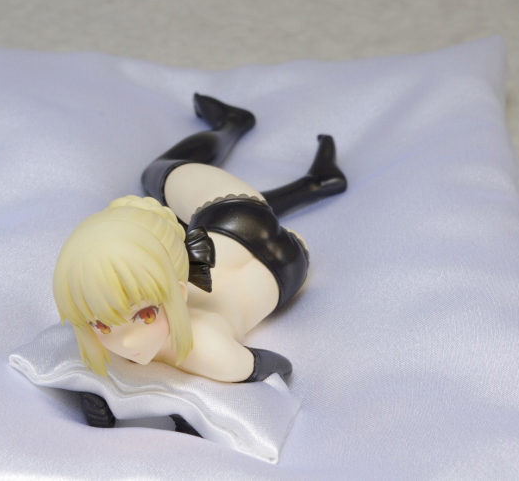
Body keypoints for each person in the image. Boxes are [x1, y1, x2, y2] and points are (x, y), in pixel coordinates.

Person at [52, 94, 347, 431]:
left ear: (180, 292)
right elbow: (269, 366)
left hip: (238, 225)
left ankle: (234, 126)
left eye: (145, 316)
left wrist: (184, 403)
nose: (127, 343)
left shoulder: (210, 350)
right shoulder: (207, 349)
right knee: (161, 176)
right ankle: (310, 180)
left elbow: (279, 369)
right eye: (101, 326)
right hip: (280, 259)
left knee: (157, 176)